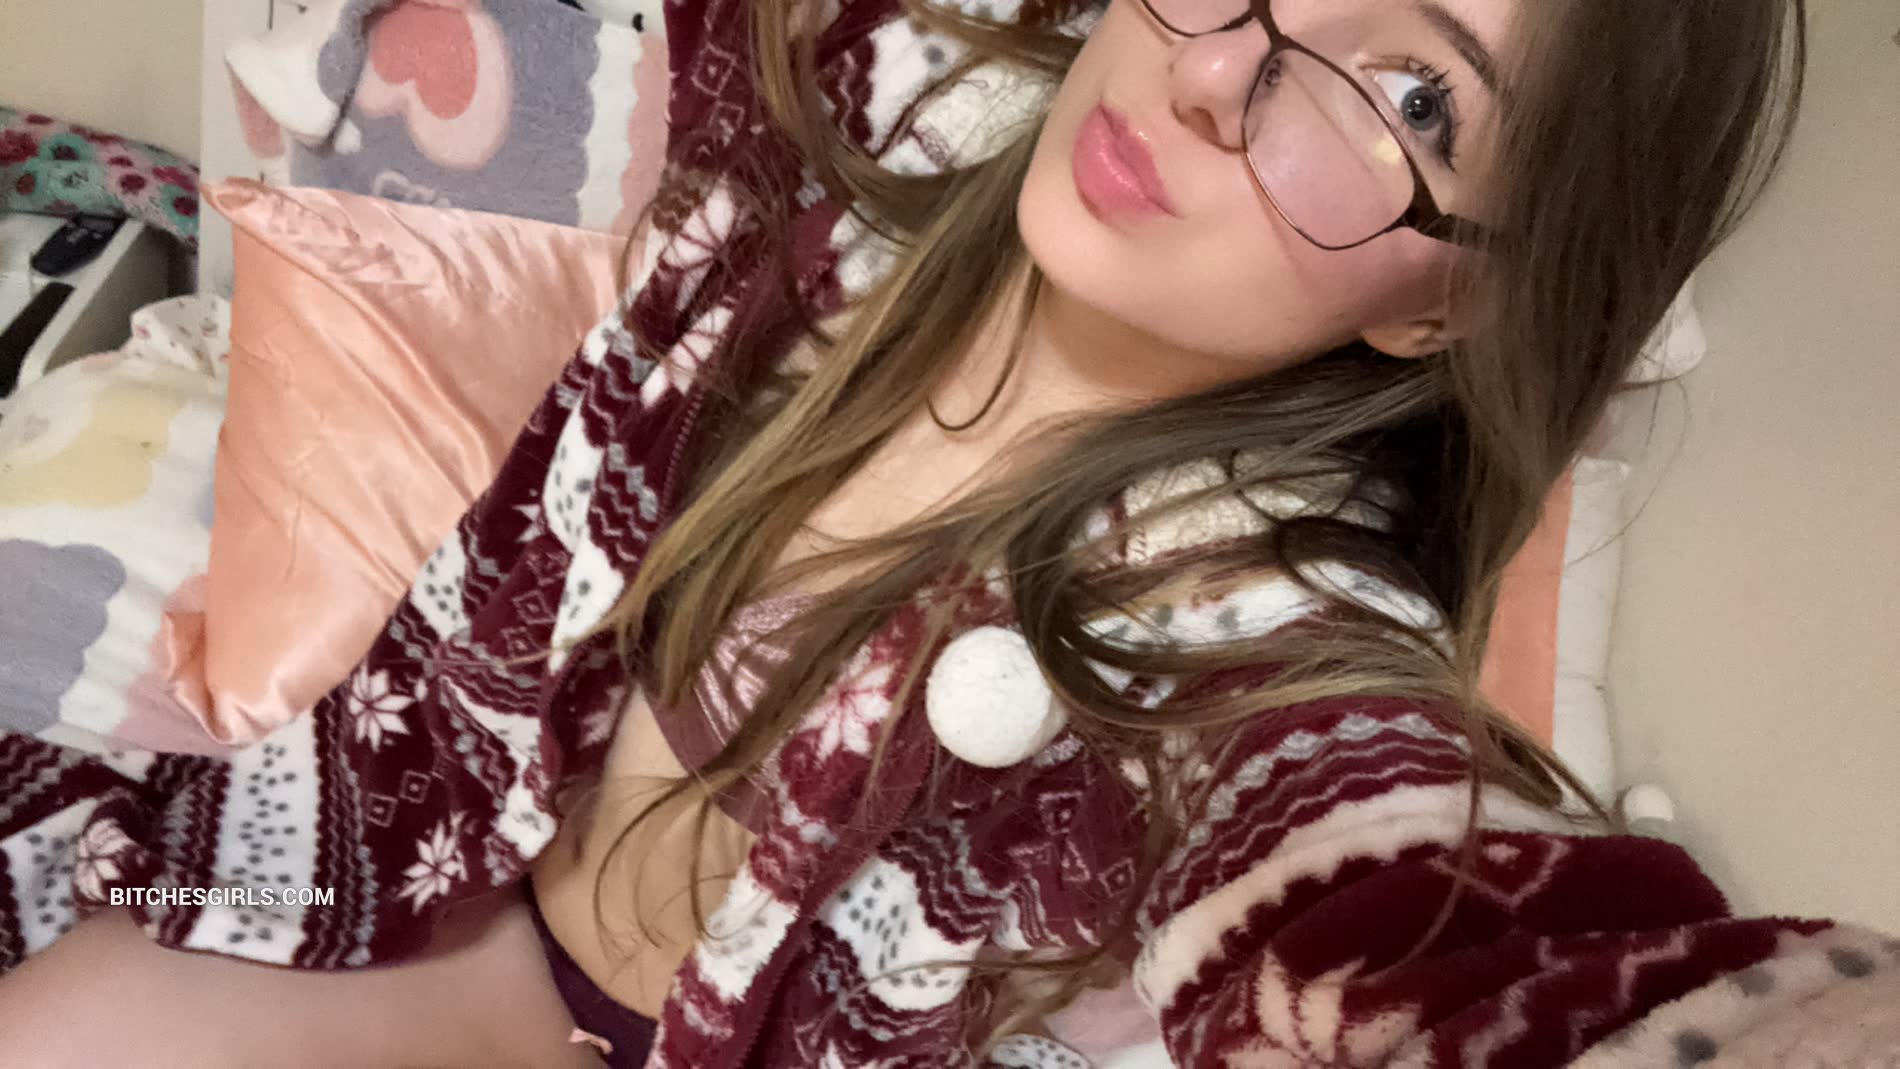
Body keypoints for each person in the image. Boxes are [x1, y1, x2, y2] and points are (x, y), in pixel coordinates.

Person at [2, 0, 1894, 1065]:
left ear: (1451, 303)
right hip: (457, 881)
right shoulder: (886, 109)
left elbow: (1422, 907)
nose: (1215, 70)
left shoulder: (1253, 623)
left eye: (1410, 96)